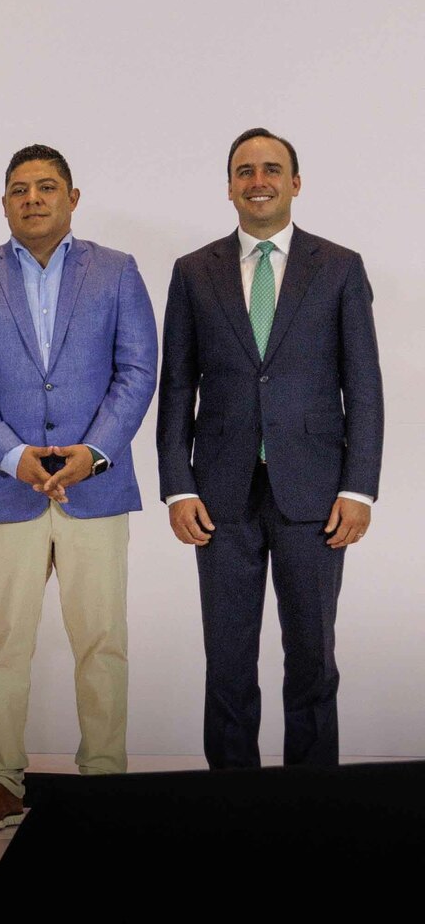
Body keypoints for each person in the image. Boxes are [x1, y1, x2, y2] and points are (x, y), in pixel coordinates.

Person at [0, 144, 157, 830]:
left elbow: (138, 369)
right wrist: (10, 454)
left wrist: (93, 452)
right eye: (19, 189)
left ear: (73, 196)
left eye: (47, 186)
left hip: (94, 487)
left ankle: (105, 781)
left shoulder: (117, 272)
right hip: (9, 488)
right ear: (4, 203)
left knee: (103, 640)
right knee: (5, 642)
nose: (33, 198)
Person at [157, 128, 382, 770]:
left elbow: (362, 383)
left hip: (315, 495)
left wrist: (357, 487)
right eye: (245, 170)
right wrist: (178, 485)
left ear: (295, 182)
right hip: (219, 497)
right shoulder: (193, 271)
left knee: (312, 659)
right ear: (229, 186)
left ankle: (314, 805)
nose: (259, 180)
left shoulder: (339, 267)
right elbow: (178, 385)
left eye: (272, 169)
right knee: (228, 664)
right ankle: (233, 803)